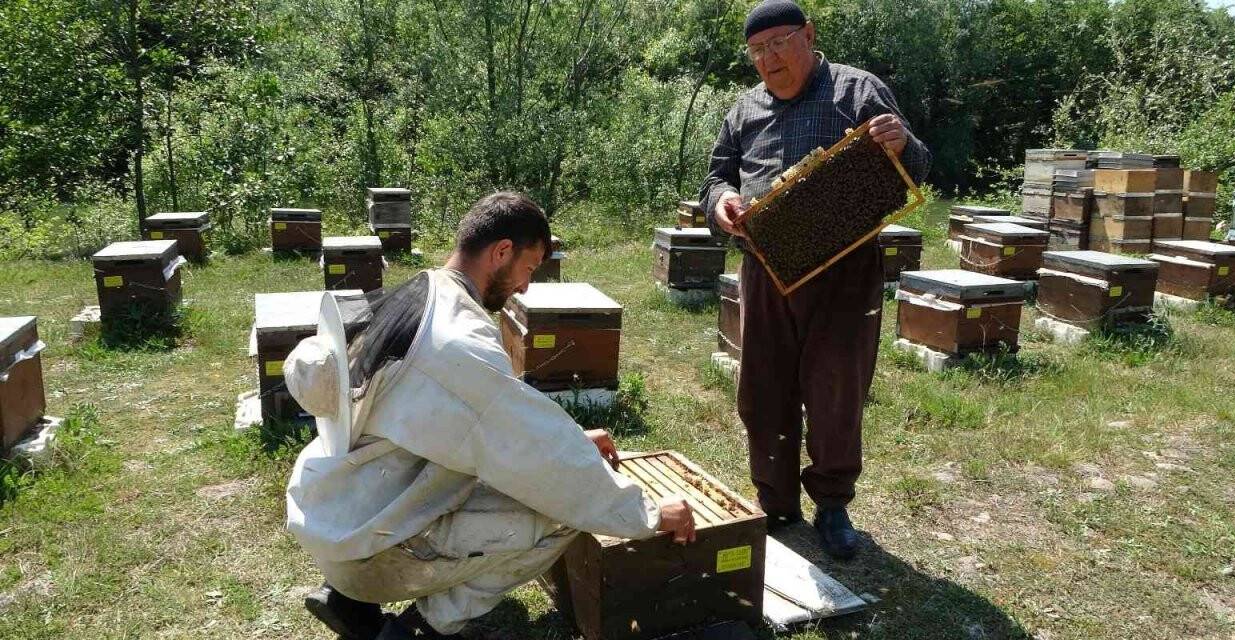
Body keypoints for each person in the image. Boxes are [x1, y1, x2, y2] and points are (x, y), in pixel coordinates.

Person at [284, 191, 697, 640]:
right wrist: (650, 513)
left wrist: (574, 436)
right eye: (528, 268)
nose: (524, 286)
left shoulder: (419, 291)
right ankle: (420, 630)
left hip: (342, 518)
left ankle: (349, 605)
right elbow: (545, 463)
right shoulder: (454, 340)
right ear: (501, 252)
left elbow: (484, 417)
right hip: (372, 547)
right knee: (561, 511)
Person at [698, 0, 932, 560]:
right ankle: (776, 503)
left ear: (808, 34)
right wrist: (722, 201)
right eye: (757, 50)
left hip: (844, 270)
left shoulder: (856, 91)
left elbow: (916, 165)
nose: (768, 58)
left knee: (835, 391)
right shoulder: (743, 109)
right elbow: (716, 177)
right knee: (763, 388)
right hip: (767, 267)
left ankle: (832, 503)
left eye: (778, 42)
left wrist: (903, 143)